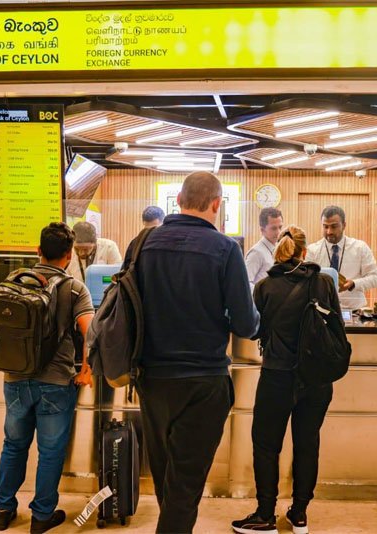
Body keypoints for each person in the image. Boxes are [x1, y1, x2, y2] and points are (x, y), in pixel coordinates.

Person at [136, 171, 260, 533]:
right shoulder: (225, 249)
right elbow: (246, 323)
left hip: (152, 380)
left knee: (168, 480)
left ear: (178, 200)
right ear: (217, 204)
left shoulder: (144, 244)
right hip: (204, 381)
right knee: (186, 483)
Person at [232, 225, 341, 534]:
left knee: (266, 445)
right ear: (305, 252)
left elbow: (254, 329)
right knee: (307, 443)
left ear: (278, 251)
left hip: (277, 376)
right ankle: (300, 514)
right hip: (316, 379)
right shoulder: (324, 283)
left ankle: (265, 514)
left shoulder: (264, 287)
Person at [0, 223, 95, 533]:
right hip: (55, 382)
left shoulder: (14, 281)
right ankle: (41, 516)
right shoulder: (74, 288)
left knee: (13, 444)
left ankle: (3, 510)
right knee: (50, 451)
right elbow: (89, 332)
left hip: (15, 378)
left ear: (37, 251)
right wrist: (86, 370)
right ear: (68, 256)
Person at [306, 205, 377, 309]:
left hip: (354, 310)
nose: (329, 232)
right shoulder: (312, 250)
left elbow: (375, 278)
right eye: (325, 226)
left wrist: (354, 283)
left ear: (344, 225)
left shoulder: (360, 248)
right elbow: (306, 281)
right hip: (323, 311)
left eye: (334, 226)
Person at [245, 207, 283, 290]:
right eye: (274, 228)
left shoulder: (278, 248)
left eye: (280, 227)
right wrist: (263, 295)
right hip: (262, 301)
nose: (279, 232)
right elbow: (245, 283)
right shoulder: (256, 252)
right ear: (262, 230)